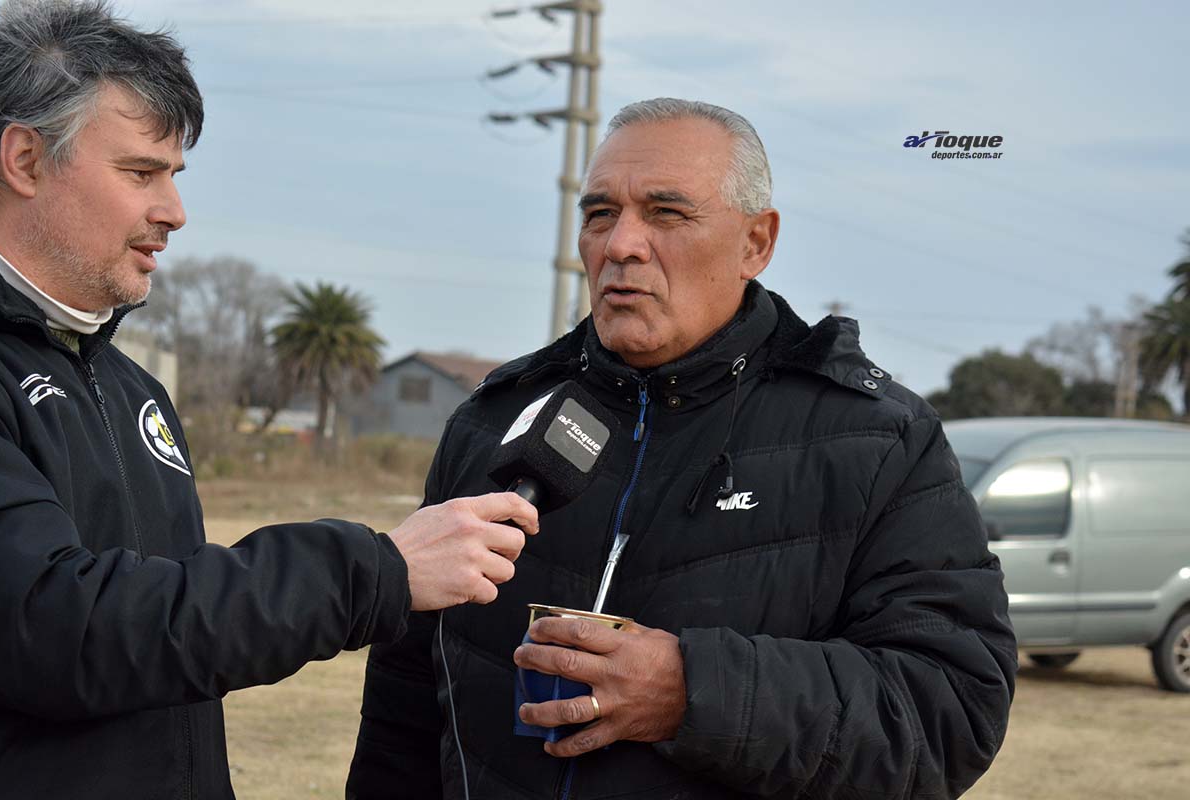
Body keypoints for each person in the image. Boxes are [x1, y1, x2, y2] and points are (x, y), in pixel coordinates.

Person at [348, 98, 1016, 799]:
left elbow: (951, 710)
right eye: (600, 213)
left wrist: (695, 693)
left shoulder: (876, 441)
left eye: (666, 213)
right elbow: (406, 702)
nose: (621, 245)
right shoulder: (494, 421)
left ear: (756, 243)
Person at [0, 2, 538, 797]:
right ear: (24, 160)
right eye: (141, 172)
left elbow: (171, 639)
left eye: (175, 177)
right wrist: (374, 570)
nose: (173, 212)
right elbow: (59, 630)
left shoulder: (129, 384)